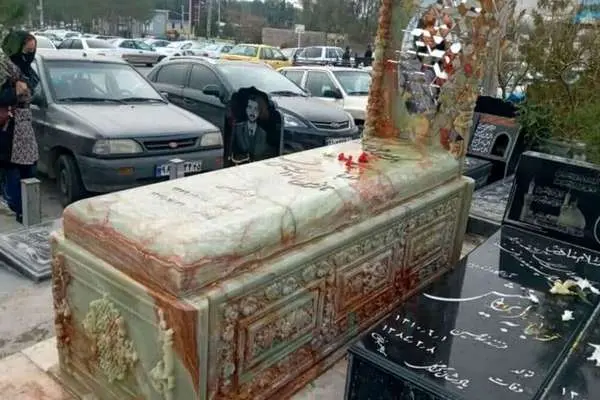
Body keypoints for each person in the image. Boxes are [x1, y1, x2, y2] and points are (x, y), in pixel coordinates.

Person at [0, 31, 39, 223]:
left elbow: (33, 87)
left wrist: (24, 87)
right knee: (11, 172)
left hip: (24, 129)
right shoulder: (4, 68)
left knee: (29, 171)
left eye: (32, 51)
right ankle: (15, 210)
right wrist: (13, 92)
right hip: (7, 129)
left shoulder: (27, 70)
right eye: (26, 51)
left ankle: (25, 214)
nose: (28, 56)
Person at [230, 95, 276, 164]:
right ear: (246, 109)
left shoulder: (263, 133)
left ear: (260, 112)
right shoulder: (237, 128)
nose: (252, 112)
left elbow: (260, 153)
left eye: (256, 109)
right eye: (250, 107)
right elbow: (233, 151)